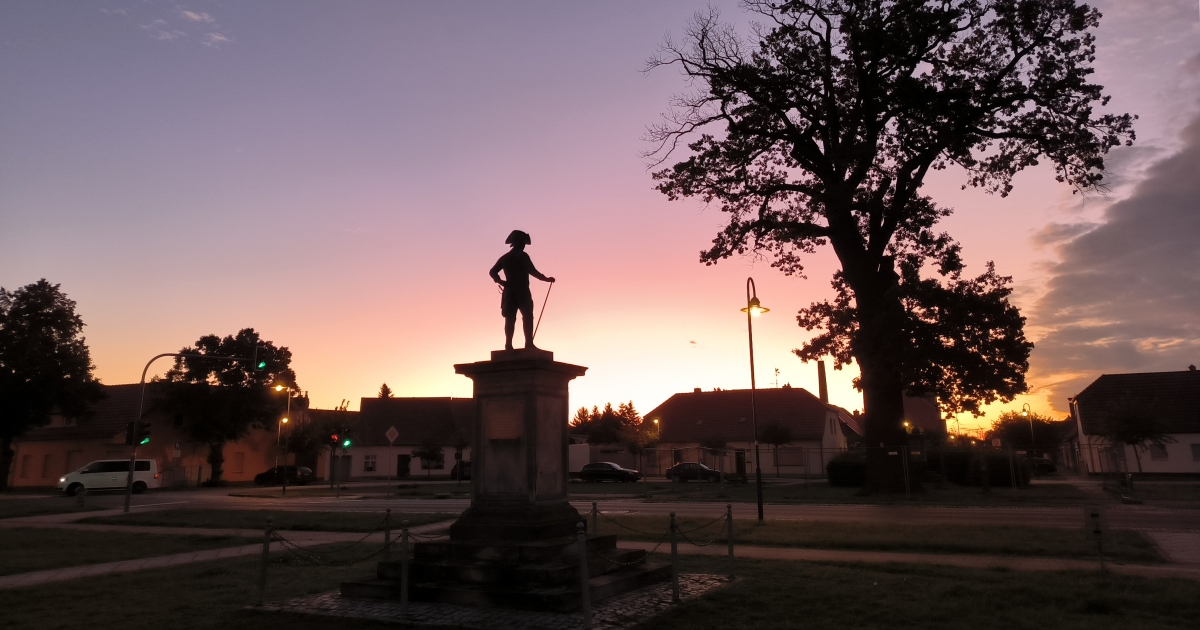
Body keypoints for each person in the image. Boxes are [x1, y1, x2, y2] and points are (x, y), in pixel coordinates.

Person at [489, 230, 554, 350]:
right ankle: (528, 343)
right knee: (527, 315)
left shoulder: (505, 258)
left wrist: (501, 282)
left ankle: (508, 344)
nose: (524, 246)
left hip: (509, 291)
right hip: (522, 291)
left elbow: (492, 272)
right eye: (523, 243)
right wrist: (546, 279)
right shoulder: (522, 256)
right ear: (519, 243)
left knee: (510, 318)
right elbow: (533, 271)